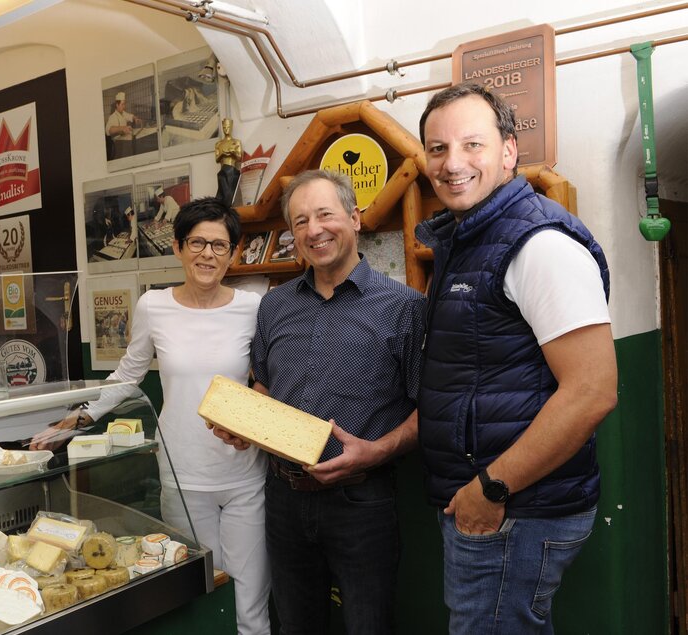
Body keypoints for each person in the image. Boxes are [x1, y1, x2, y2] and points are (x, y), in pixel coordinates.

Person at [415, 83, 617, 634]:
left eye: (471, 145)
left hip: (512, 510)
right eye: (437, 148)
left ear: (509, 151)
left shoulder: (538, 244)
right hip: (490, 506)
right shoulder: (469, 239)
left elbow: (592, 392)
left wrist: (492, 489)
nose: (452, 163)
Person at [32, 196, 271, 635]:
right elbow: (128, 373)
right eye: (197, 243)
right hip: (181, 473)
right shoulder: (154, 306)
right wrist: (81, 417)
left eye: (220, 246)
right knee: (198, 595)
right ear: (178, 248)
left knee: (251, 603)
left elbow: (269, 381)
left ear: (234, 253)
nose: (208, 255)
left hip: (243, 474)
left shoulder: (254, 307)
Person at [214, 169, 426, 634]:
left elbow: (427, 411)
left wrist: (376, 451)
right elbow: (265, 389)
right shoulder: (275, 305)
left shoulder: (405, 307)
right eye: (300, 221)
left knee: (368, 627)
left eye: (325, 215)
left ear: (354, 218)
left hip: (362, 501)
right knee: (294, 627)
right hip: (283, 499)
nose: (314, 230)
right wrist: (243, 424)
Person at [214, 118, 243, 206]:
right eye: (224, 128)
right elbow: (217, 159)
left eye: (228, 127)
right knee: (222, 192)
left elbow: (239, 157)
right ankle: (222, 207)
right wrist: (222, 154)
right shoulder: (219, 144)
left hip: (232, 169)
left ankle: (227, 207)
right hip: (223, 170)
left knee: (229, 194)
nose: (226, 130)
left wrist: (233, 152)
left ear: (231, 127)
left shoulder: (236, 142)